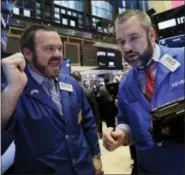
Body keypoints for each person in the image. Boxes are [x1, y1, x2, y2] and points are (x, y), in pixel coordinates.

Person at [1, 24, 102, 175]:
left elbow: (88, 122)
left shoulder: (72, 84)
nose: (58, 55)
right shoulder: (13, 90)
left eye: (60, 49)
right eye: (49, 49)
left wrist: (95, 154)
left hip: (83, 168)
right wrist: (11, 92)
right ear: (28, 53)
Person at [103, 9, 184, 175]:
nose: (126, 47)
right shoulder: (126, 84)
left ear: (151, 35)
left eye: (133, 38)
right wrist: (121, 134)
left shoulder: (182, 60)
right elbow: (125, 120)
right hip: (148, 168)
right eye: (121, 41)